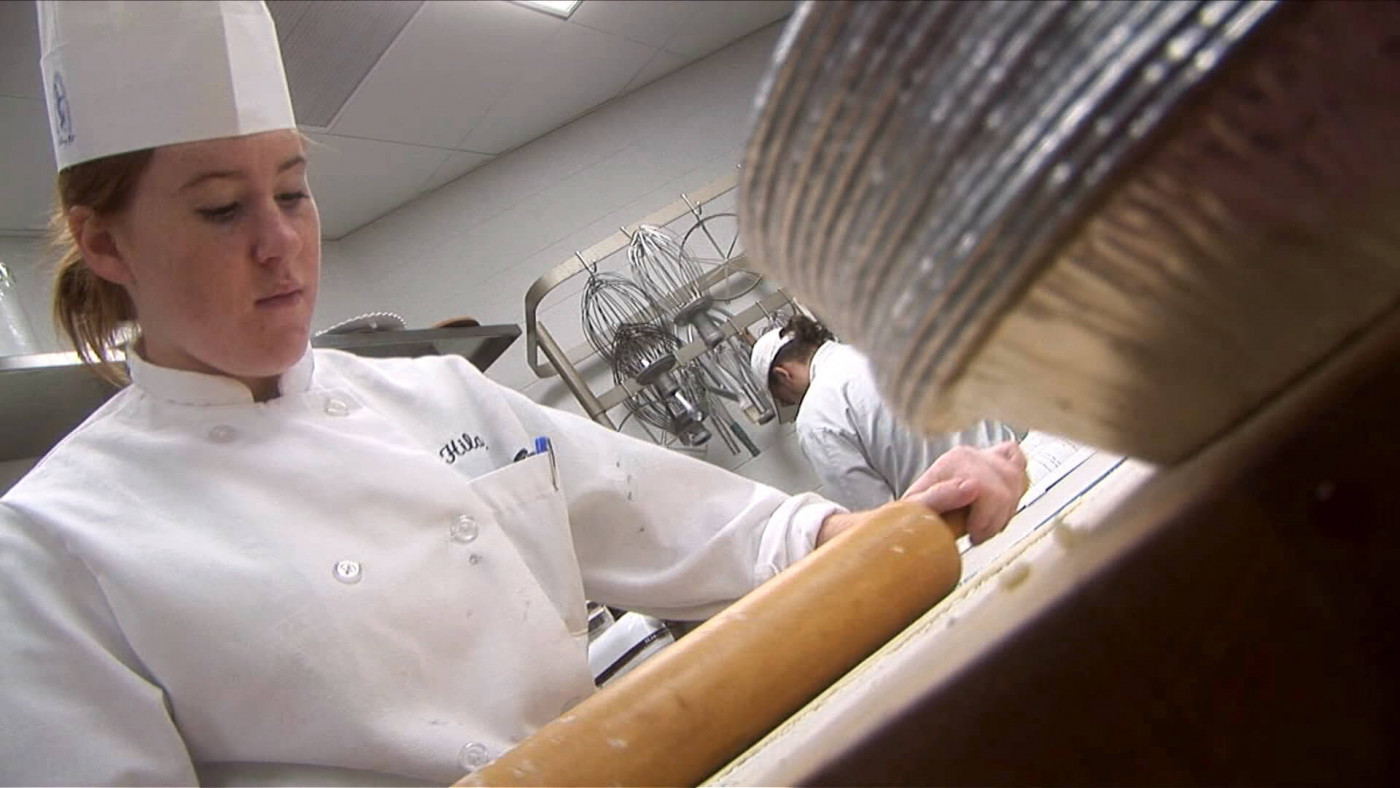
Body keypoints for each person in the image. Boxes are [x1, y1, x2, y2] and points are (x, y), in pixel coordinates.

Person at [0, 2, 1028, 784]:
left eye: (292, 189)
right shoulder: (50, 548)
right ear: (104, 242)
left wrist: (885, 526)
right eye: (221, 208)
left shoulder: (439, 399)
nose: (279, 241)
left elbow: (706, 528)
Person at [751, 315, 1023, 539]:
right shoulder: (885, 346)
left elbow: (879, 520)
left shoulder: (815, 417)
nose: (793, 403)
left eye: (786, 398)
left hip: (970, 526)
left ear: (783, 376)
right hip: (1020, 473)